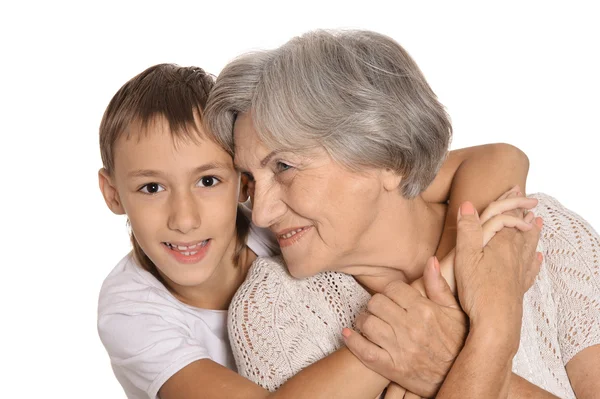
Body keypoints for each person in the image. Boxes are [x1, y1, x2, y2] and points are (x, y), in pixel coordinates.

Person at [97, 63, 541, 399]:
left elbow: (497, 158)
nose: (185, 218)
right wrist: (420, 315)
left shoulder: (278, 218)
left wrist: (493, 274)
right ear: (113, 194)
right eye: (151, 187)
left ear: (244, 181)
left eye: (208, 181)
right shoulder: (132, 312)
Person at [205, 29, 600, 398]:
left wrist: (453, 360)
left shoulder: (542, 234)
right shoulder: (273, 310)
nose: (260, 214)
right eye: (250, 179)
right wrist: (492, 330)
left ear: (388, 159)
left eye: (284, 167)